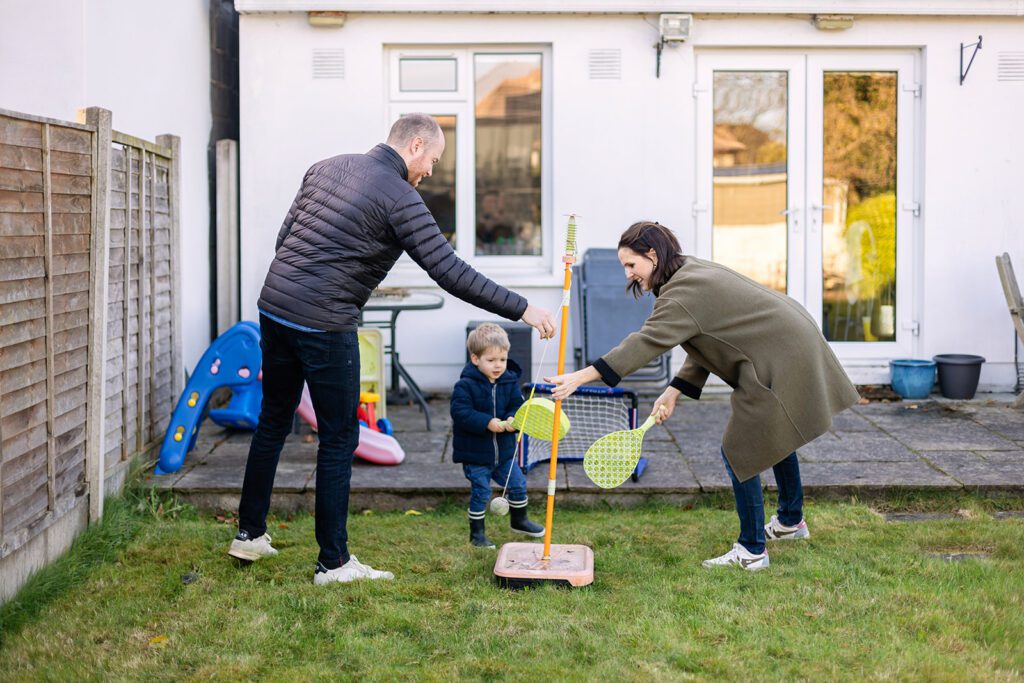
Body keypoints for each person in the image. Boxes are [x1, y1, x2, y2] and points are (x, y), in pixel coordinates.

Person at [228, 114, 556, 584]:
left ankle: (250, 534)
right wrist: (523, 309)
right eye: (433, 162)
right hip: (325, 323)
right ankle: (333, 563)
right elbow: (450, 271)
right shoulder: (402, 196)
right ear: (415, 145)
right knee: (340, 438)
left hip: (275, 308)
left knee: (273, 421)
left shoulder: (326, 167)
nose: (430, 174)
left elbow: (287, 239)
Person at [546, 221, 859, 571]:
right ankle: (790, 522)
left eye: (631, 265)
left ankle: (752, 550)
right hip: (788, 340)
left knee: (739, 448)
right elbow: (704, 338)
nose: (628, 274)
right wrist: (674, 390)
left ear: (652, 255)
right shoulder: (687, 271)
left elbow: (645, 342)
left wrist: (580, 376)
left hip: (778, 355)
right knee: (777, 437)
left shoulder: (681, 293)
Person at [450, 323, 545, 549]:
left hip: (504, 453)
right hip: (476, 455)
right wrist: (487, 422)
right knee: (481, 493)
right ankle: (477, 535)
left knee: (518, 484)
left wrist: (513, 418)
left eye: (502, 360)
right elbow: (460, 413)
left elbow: (516, 405)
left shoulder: (509, 382)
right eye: (491, 360)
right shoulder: (465, 385)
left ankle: (519, 520)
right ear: (476, 359)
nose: (498, 365)